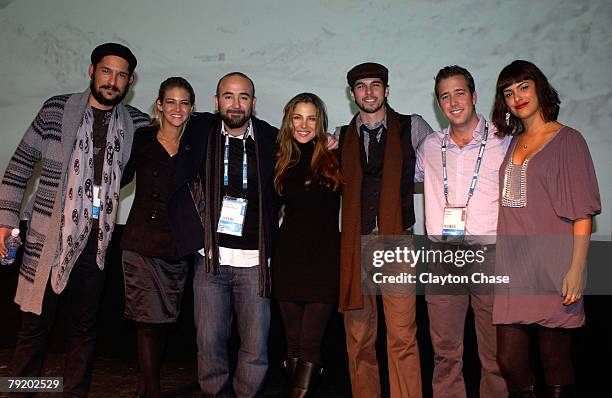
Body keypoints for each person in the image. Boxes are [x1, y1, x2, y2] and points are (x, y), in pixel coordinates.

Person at [0, 43, 149, 396]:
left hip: (97, 241)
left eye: (121, 75)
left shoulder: (137, 124)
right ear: (91, 71)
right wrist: (6, 219)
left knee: (83, 329)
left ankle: (73, 392)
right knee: (34, 325)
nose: (113, 81)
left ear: (130, 81)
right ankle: (21, 391)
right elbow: (20, 165)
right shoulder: (56, 109)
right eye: (106, 71)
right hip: (49, 236)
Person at [491, 60, 601, 397]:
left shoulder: (568, 140)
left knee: (555, 359)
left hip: (556, 266)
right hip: (514, 267)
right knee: (508, 359)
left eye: (524, 87)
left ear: (539, 88)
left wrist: (577, 269)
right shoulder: (512, 142)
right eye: (509, 93)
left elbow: (583, 214)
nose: (517, 97)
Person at [337, 62, 433, 398]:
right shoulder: (341, 137)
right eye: (361, 86)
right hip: (354, 244)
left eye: (375, 85)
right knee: (359, 338)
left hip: (397, 241)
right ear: (353, 95)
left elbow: (444, 165)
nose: (368, 92)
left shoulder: (414, 127)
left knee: (402, 336)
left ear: (387, 90)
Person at [415, 65, 509, 398]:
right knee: (444, 353)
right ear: (438, 103)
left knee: (495, 352)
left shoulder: (504, 141)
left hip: (490, 254)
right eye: (445, 95)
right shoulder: (429, 146)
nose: (453, 102)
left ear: (473, 96)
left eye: (460, 92)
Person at [193, 72, 279, 397]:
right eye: (228, 96)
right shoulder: (200, 133)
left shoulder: (271, 140)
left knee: (255, 348)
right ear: (216, 102)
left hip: (255, 262)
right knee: (208, 342)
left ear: (253, 104)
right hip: (209, 261)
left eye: (243, 97)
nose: (236, 103)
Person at [120, 77, 207, 398]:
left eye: (184, 103)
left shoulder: (195, 144)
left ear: (192, 108)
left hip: (176, 245)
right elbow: (117, 176)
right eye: (170, 101)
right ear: (159, 105)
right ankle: (153, 391)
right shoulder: (142, 138)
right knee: (147, 321)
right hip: (141, 242)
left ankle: (146, 388)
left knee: (163, 321)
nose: (177, 109)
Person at [272, 93, 342, 396]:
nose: (304, 124)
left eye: (311, 117)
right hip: (288, 260)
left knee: (312, 340)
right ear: (289, 121)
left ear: (320, 122)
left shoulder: (335, 157)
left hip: (325, 263)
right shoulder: (279, 159)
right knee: (293, 341)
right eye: (297, 117)